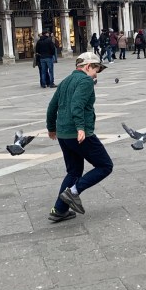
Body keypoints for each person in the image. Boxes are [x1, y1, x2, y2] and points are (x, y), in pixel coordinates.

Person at [47, 51, 113, 223]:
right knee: (105, 166)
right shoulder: (85, 81)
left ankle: (59, 210)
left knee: (74, 171)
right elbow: (77, 105)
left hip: (63, 134)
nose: (96, 75)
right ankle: (73, 192)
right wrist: (80, 128)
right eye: (96, 70)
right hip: (79, 134)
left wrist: (51, 128)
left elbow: (52, 106)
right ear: (88, 66)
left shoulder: (65, 81)